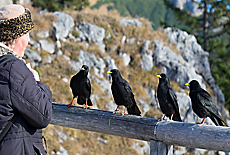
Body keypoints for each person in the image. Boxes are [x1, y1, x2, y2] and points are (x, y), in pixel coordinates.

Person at [0, 4, 52, 154]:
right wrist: (36, 82)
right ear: (14, 38)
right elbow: (43, 114)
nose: (28, 41)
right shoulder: (13, 69)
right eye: (26, 34)